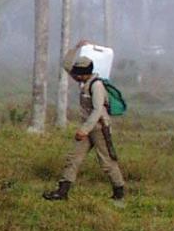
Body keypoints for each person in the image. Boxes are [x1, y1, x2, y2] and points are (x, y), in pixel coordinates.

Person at [43, 55, 126, 202]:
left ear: (85, 73)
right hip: (88, 128)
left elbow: (97, 110)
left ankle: (119, 193)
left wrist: (84, 130)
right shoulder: (84, 81)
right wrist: (77, 47)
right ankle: (62, 192)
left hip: (100, 128)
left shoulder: (96, 86)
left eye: (78, 74)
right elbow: (66, 64)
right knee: (73, 158)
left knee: (107, 162)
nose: (75, 77)